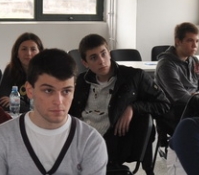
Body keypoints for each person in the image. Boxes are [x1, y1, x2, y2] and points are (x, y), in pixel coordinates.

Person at [70, 34, 170, 166]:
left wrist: (133, 107)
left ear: (110, 54)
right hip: (80, 139)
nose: (101, 61)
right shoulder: (81, 82)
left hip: (110, 144)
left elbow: (163, 104)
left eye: (103, 54)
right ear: (85, 63)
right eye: (94, 58)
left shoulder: (134, 77)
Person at [155, 22, 199, 130]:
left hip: (195, 107)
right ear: (178, 41)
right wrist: (198, 100)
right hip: (174, 111)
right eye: (190, 41)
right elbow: (179, 96)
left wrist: (197, 95)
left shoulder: (195, 61)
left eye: (197, 41)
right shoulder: (166, 65)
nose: (195, 45)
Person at [0, 32, 42, 113]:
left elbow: (42, 106)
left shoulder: (47, 73)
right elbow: (2, 102)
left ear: (40, 53)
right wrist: (25, 105)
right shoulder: (10, 69)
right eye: (24, 49)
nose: (28, 53)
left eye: (33, 49)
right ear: (17, 53)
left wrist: (18, 103)